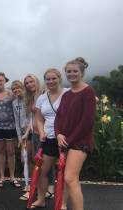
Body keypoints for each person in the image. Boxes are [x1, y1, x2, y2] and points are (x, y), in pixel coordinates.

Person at [54, 57, 96, 210]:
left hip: (80, 142)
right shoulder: (66, 94)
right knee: (64, 177)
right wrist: (58, 134)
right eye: (68, 71)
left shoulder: (88, 92)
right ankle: (62, 205)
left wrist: (68, 140)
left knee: (70, 178)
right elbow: (58, 117)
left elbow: (87, 122)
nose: (71, 74)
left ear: (82, 72)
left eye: (75, 71)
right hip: (65, 141)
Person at [28, 68, 68, 209]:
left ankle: (62, 203)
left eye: (54, 78)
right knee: (42, 171)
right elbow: (38, 118)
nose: (51, 81)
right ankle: (41, 199)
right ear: (44, 81)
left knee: (64, 173)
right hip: (48, 138)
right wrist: (41, 131)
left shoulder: (68, 93)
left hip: (65, 138)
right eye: (48, 79)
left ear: (59, 79)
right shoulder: (42, 97)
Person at [0, 73, 20, 188]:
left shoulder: (12, 94)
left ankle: (12, 176)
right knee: (1, 151)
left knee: (11, 152)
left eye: (1, 80)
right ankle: (2, 177)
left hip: (11, 126)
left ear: (5, 81)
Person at [11, 80, 32, 200]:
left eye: (18, 88)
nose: (16, 91)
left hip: (31, 131)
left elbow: (31, 117)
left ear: (23, 88)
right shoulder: (14, 103)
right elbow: (16, 121)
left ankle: (32, 184)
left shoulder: (28, 100)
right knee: (25, 159)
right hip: (22, 134)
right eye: (14, 89)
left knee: (30, 158)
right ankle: (27, 184)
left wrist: (27, 132)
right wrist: (19, 137)